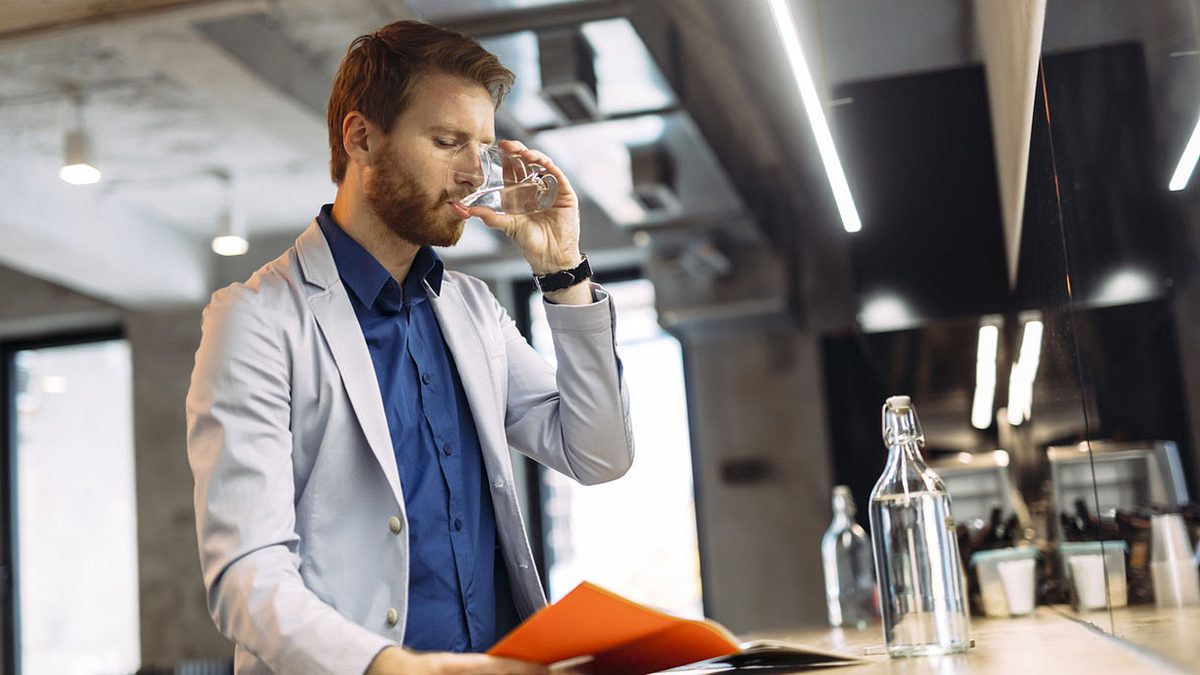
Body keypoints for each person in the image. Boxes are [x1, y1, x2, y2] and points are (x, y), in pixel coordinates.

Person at [185, 19, 634, 675]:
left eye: (480, 147)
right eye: (447, 141)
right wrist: (394, 666)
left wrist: (563, 267)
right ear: (362, 137)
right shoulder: (254, 320)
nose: (470, 173)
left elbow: (599, 453)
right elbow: (245, 574)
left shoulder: (473, 309)